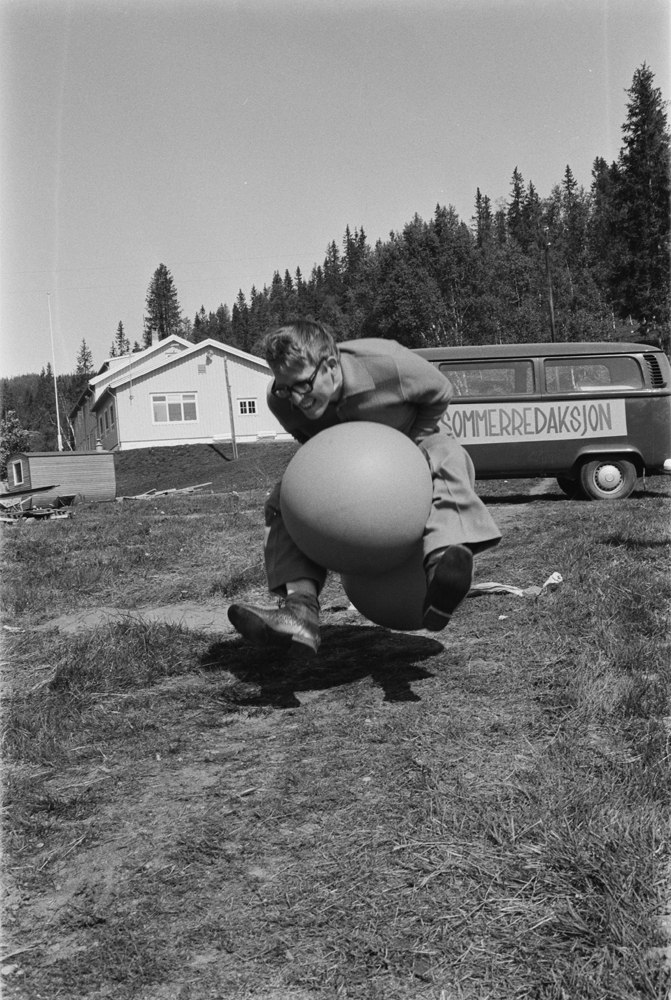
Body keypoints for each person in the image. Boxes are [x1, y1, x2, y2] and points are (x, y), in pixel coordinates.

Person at [228, 320, 501, 657]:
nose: (295, 399)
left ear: (329, 365)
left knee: (446, 453)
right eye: (284, 388)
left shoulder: (388, 362)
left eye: (302, 385)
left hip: (410, 444)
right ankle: (300, 610)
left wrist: (410, 449)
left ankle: (444, 564)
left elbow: (440, 392)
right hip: (349, 465)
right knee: (283, 498)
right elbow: (309, 442)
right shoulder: (280, 401)